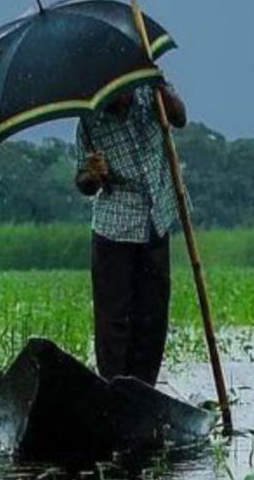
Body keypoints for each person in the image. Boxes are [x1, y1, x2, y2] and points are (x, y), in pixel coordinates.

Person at [74, 81, 187, 386]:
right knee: (113, 319)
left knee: (152, 314)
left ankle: (143, 389)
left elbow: (180, 118)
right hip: (115, 226)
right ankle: (114, 389)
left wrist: (160, 84)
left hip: (156, 217)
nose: (118, 97)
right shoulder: (90, 120)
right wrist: (93, 174)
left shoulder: (151, 96)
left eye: (122, 90)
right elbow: (84, 182)